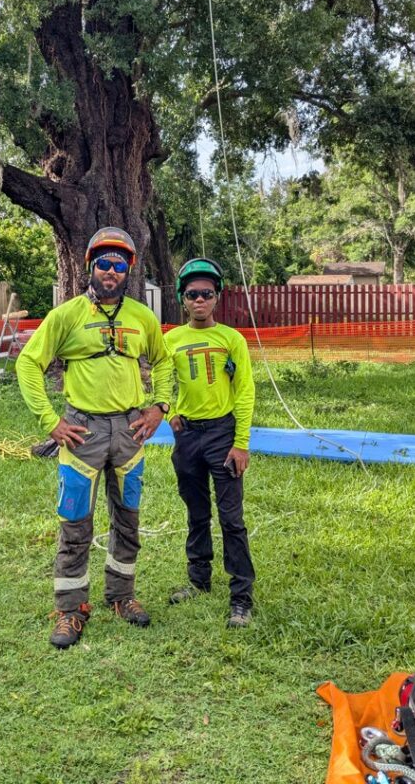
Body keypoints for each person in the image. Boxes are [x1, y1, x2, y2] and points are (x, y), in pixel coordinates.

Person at [16, 227, 173, 649]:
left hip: (129, 431)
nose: (110, 271)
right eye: (103, 263)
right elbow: (29, 364)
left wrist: (160, 407)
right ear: (90, 267)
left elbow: (163, 361)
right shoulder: (66, 316)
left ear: (128, 272)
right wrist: (50, 421)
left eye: (119, 264)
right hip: (81, 432)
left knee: (128, 517)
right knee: (75, 521)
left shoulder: (142, 317)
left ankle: (122, 596)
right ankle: (70, 609)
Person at [165, 258, 256, 628]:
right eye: (192, 294)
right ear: (182, 299)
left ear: (216, 297)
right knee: (196, 512)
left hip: (222, 434)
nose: (199, 300)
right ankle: (199, 580)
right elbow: (158, 379)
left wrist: (241, 443)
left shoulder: (231, 339)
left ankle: (241, 597)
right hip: (187, 436)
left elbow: (245, 391)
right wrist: (168, 410)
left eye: (206, 293)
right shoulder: (170, 340)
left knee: (231, 519)